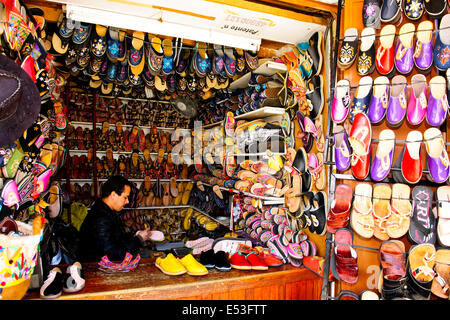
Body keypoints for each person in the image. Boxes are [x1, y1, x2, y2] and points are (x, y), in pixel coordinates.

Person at [78, 175, 154, 262]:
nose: (127, 201)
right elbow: (115, 255)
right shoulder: (101, 218)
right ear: (113, 195)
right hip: (95, 266)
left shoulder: (106, 210)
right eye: (125, 197)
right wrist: (139, 239)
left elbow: (117, 238)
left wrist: (135, 235)